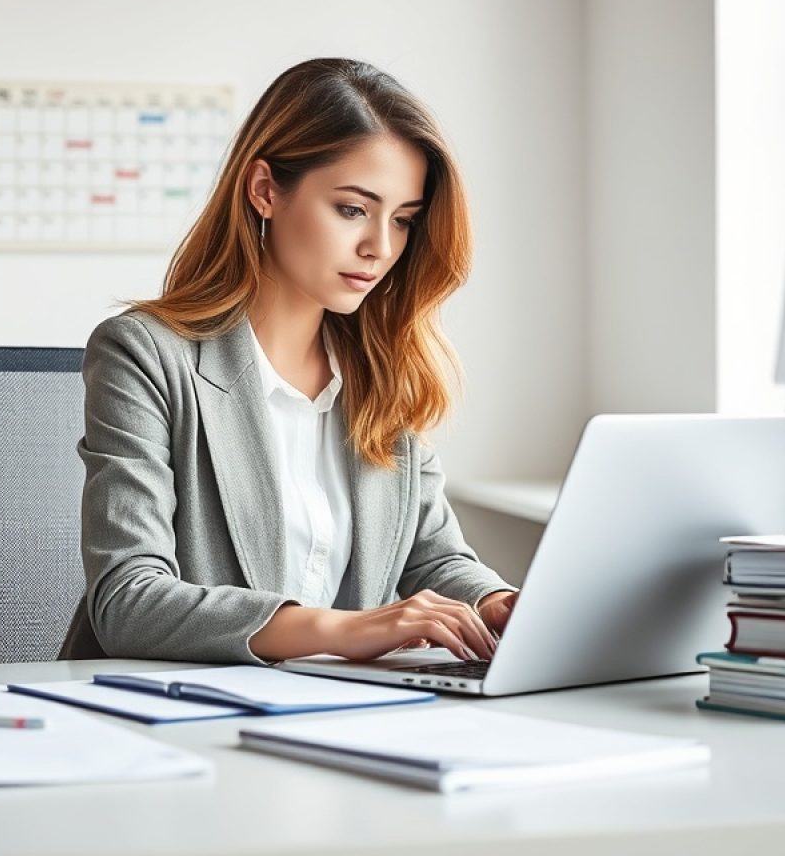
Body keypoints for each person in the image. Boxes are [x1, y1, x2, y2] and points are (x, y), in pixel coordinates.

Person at [60, 57, 518, 665]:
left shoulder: (381, 373)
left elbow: (431, 557)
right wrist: (343, 630)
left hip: (334, 713)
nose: (380, 248)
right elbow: (127, 601)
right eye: (353, 209)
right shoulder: (144, 354)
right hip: (174, 716)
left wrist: (498, 603)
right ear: (265, 191)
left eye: (403, 221)